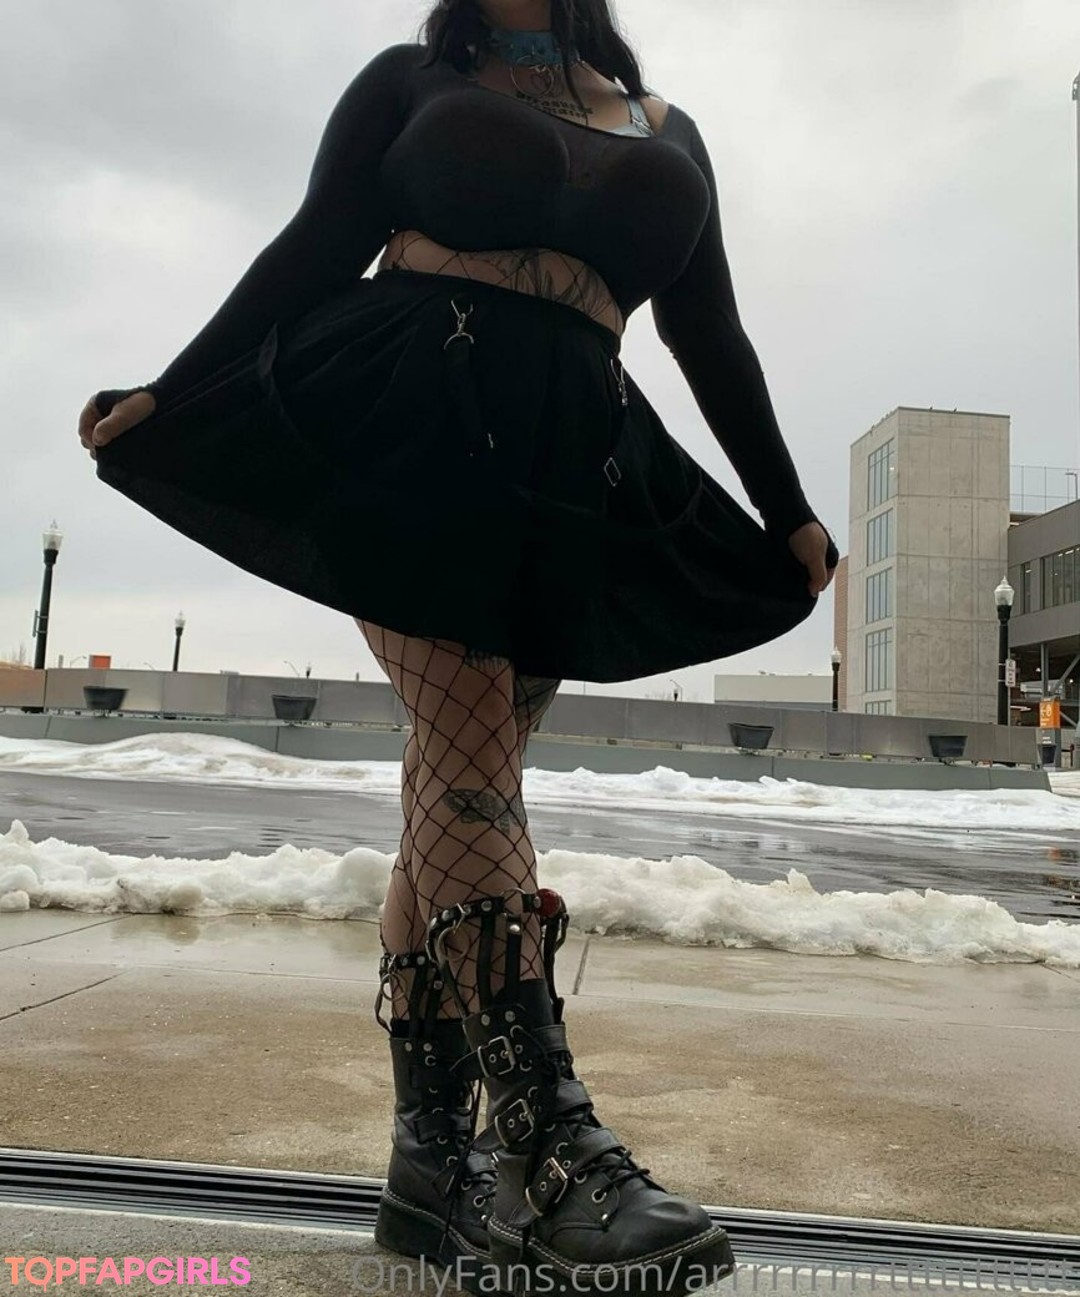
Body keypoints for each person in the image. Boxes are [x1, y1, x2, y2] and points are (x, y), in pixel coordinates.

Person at [78, 0, 838, 1291]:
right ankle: (548, 1149)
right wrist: (173, 387)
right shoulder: (409, 80)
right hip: (408, 416)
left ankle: (431, 1168)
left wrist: (787, 506)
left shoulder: (668, 128)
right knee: (474, 755)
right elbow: (315, 247)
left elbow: (707, 330)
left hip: (569, 457)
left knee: (455, 768)